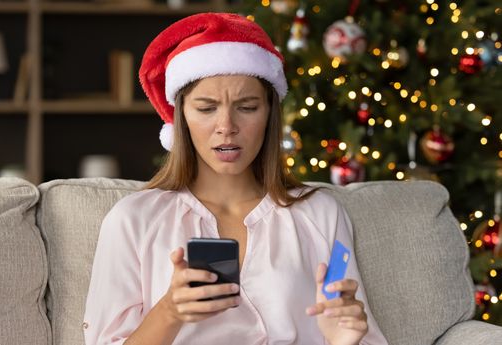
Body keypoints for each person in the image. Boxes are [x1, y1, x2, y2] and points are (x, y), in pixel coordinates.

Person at [83, 12, 388, 345]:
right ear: (181, 116)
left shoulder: (320, 214)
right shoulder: (133, 220)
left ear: (270, 114)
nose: (226, 126)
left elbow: (362, 335)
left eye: (247, 107)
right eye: (206, 108)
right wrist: (169, 312)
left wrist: (344, 341)